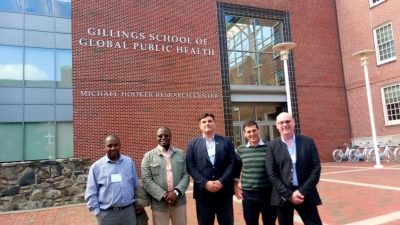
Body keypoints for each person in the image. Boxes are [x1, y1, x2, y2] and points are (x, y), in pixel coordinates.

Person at [265, 112, 323, 225]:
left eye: (287, 121)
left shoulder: (308, 142)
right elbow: (272, 174)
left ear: (293, 123)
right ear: (277, 126)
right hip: (283, 197)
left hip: (305, 194)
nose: (285, 125)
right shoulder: (272, 146)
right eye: (281, 122)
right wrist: (289, 195)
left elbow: (316, 168)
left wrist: (301, 191)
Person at [186, 112, 236, 225]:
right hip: (203, 194)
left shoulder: (226, 142)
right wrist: (205, 183)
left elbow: (232, 163)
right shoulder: (192, 144)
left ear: (215, 124)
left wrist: (221, 181)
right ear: (200, 126)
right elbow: (190, 166)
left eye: (210, 121)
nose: (207, 124)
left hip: (224, 193)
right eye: (204, 122)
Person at [85, 134, 138, 225]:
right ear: (104, 148)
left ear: (120, 146)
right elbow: (91, 192)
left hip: (128, 212)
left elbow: (135, 185)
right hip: (107, 215)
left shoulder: (129, 162)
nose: (113, 148)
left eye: (115, 145)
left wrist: (138, 205)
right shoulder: (96, 167)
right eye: (109, 146)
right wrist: (97, 212)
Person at [141, 127, 189, 225]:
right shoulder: (148, 156)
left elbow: (186, 175)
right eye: (160, 136)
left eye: (166, 135)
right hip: (159, 204)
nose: (163, 138)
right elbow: (146, 180)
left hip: (179, 202)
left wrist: (175, 193)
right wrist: (164, 195)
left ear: (171, 136)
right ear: (156, 138)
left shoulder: (181, 154)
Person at [234, 120, 277, 225]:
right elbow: (236, 170)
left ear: (258, 130)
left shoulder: (270, 147)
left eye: (254, 130)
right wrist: (235, 186)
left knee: (270, 222)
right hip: (248, 195)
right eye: (248, 132)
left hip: (268, 193)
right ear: (244, 134)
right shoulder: (241, 149)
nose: (252, 134)